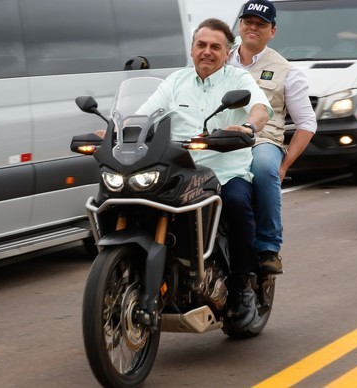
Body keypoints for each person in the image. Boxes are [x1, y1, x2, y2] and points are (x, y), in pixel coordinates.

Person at [114, 18, 273, 329]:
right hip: (180, 170)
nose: (207, 52)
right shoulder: (175, 81)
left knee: (238, 202)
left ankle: (242, 286)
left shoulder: (238, 81)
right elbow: (143, 113)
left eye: (216, 47)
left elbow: (260, 109)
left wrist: (248, 126)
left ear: (227, 53)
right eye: (201, 45)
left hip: (225, 170)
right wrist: (116, 129)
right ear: (191, 49)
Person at [228, 0, 317, 275]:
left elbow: (306, 123)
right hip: (217, 137)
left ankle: (268, 246)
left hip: (262, 140)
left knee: (265, 168)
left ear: (272, 31)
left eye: (261, 24)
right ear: (239, 25)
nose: (253, 27)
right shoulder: (219, 59)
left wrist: (284, 165)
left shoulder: (286, 70)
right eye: (248, 22)